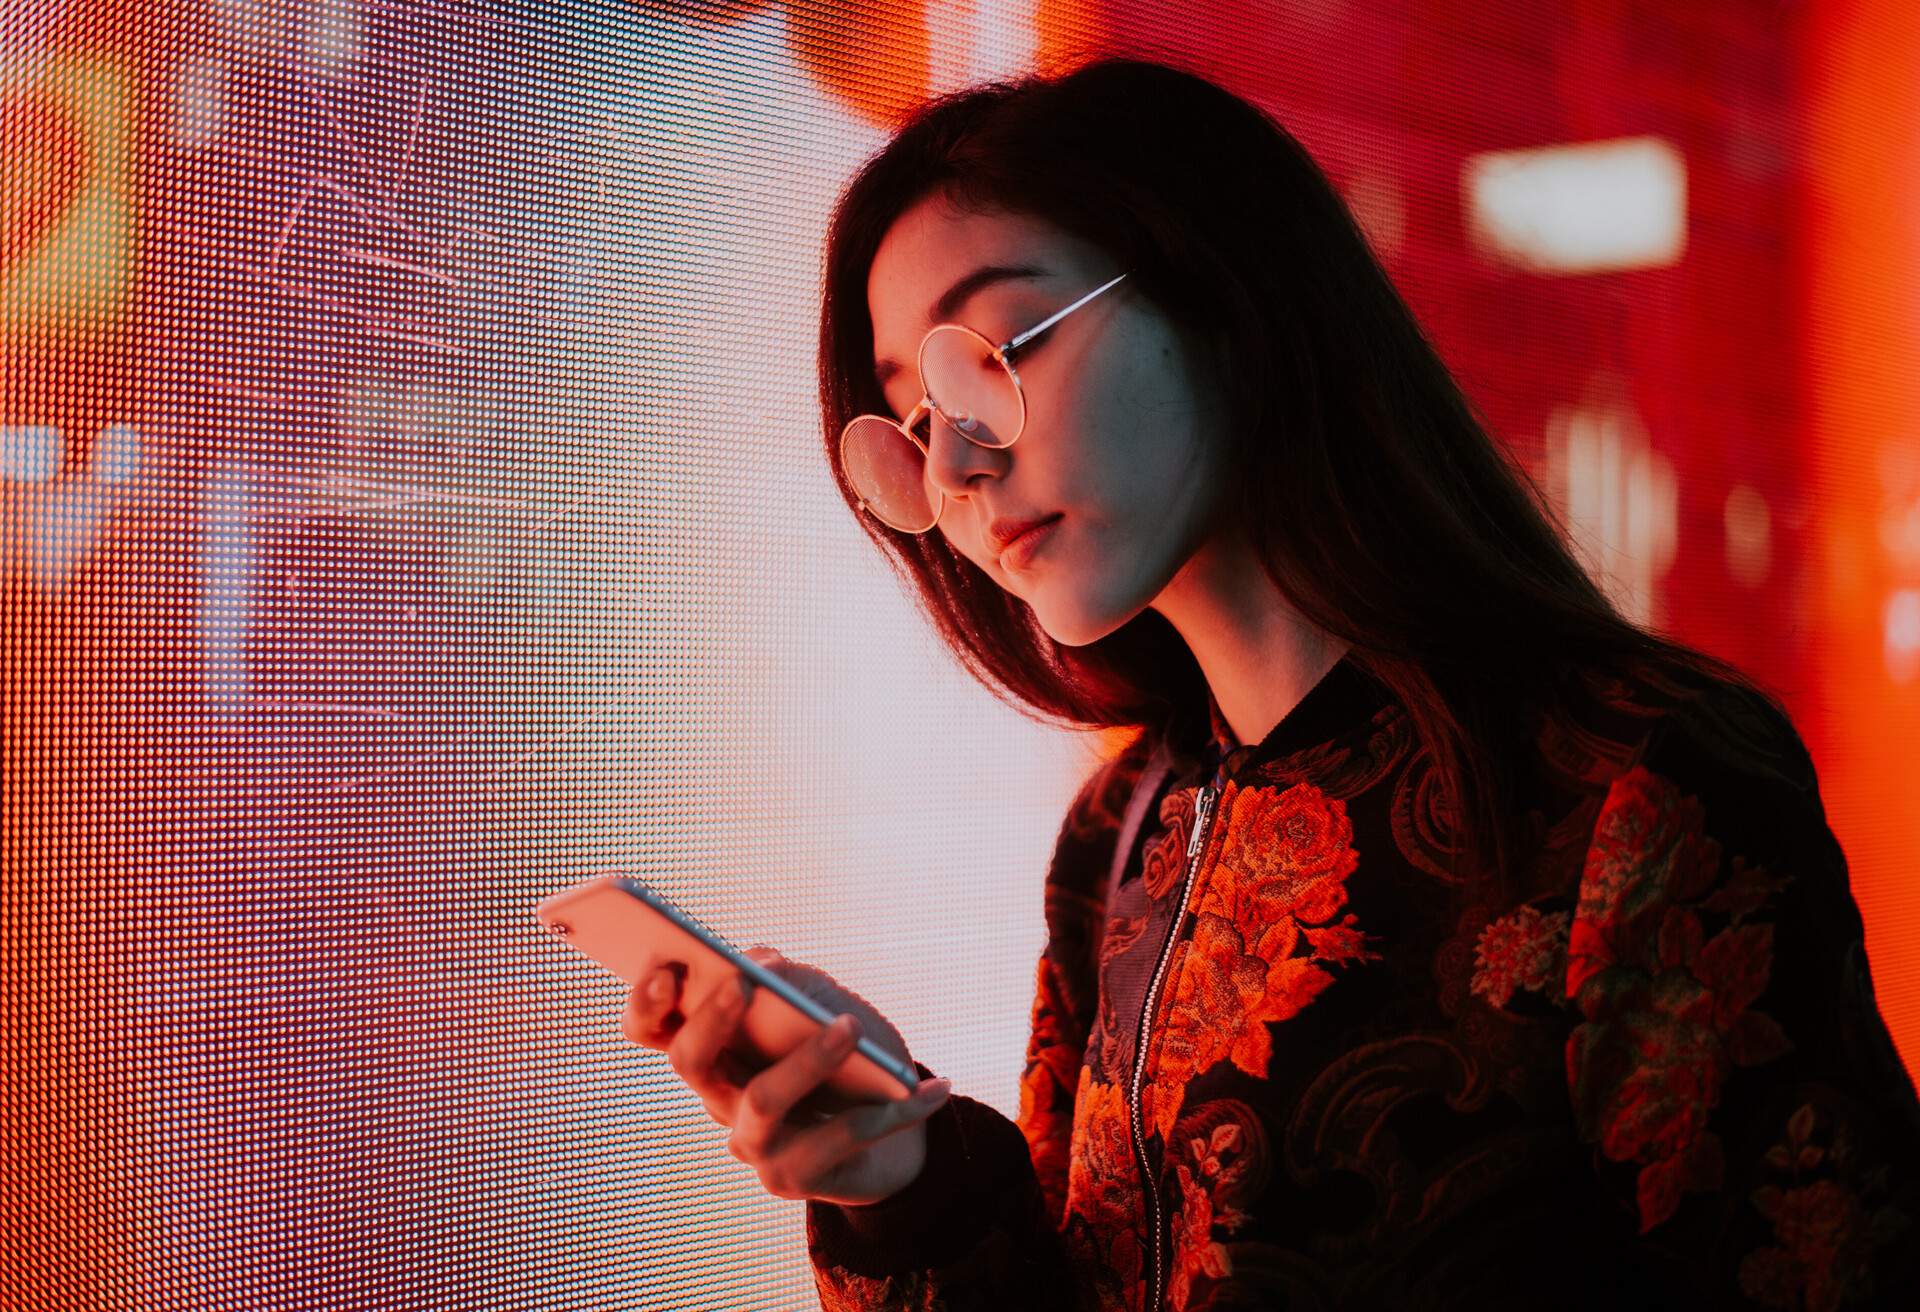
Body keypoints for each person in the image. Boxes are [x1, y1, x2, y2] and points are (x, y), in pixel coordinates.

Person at [620, 57, 1920, 1310]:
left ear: (1223, 301)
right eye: (906, 418)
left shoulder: (1635, 778)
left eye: (996, 355)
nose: (953, 466)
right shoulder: (1118, 838)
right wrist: (897, 1168)